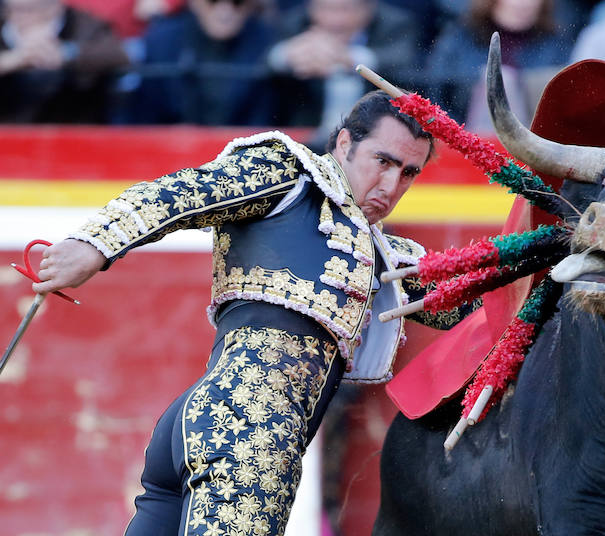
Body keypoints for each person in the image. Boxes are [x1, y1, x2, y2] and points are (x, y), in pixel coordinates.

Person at [34, 90, 470, 534]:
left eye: (409, 173)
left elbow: (468, 302)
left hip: (209, 420)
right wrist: (94, 243)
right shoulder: (290, 174)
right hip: (251, 428)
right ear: (343, 143)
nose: (391, 186)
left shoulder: (381, 253)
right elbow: (182, 192)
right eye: (383, 161)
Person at [267, 0, 422, 145]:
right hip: (307, 135)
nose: (335, 20)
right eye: (326, 9)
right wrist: (290, 55)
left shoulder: (395, 23)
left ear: (368, 9)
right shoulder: (294, 22)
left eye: (345, 10)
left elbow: (402, 59)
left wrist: (348, 58)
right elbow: (265, 59)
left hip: (376, 136)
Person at [120, 0, 276, 125]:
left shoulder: (268, 41)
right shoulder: (161, 41)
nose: (225, 10)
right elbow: (142, 116)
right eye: (213, 1)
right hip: (172, 152)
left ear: (250, 5)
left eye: (237, 2)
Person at [424, 0, 572, 131]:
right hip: (463, 145)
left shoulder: (556, 45)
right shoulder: (460, 38)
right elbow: (437, 94)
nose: (522, 3)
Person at [0, 0, 129, 123]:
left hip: (73, 122)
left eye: (28, 10)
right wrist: (10, 61)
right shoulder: (4, 24)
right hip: (9, 124)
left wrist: (65, 54)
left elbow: (118, 55)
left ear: (54, 7)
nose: (19, 17)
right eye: (12, 10)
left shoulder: (83, 23)